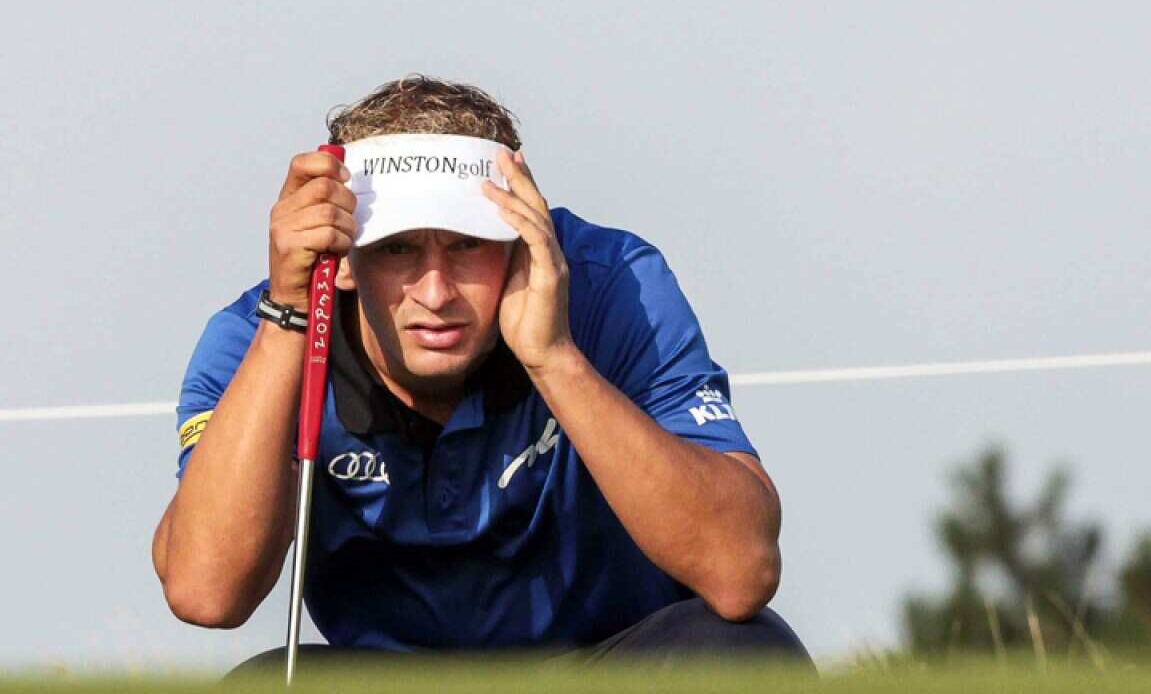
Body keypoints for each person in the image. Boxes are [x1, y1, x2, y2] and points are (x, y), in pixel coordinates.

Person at [151, 75, 811, 675]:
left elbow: (741, 570)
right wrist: (288, 319)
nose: (435, 292)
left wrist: (555, 358)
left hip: (606, 667)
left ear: (523, 239)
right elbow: (206, 592)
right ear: (343, 260)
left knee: (745, 655)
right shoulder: (263, 332)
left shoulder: (616, 286)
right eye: (397, 248)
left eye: (467, 244)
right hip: (392, 682)